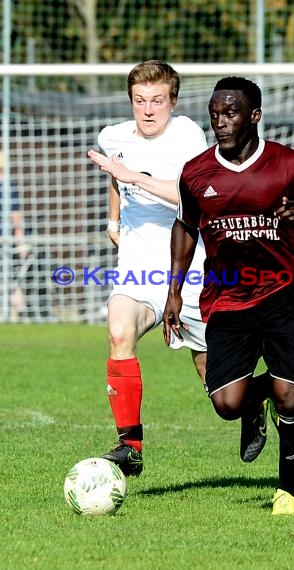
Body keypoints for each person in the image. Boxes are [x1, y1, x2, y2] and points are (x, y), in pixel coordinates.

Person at [163, 76, 294, 515]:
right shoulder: (196, 171)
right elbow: (185, 227)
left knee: (291, 396)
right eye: (215, 114)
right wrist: (173, 292)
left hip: (285, 294)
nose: (219, 122)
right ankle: (255, 400)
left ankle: (287, 491)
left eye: (230, 113)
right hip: (226, 299)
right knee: (227, 404)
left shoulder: (290, 164)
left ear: (254, 115)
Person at [87, 60, 208, 477]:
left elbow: (188, 198)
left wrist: (128, 173)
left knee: (219, 391)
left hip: (188, 264)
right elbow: (114, 176)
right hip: (137, 264)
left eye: (157, 100)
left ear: (173, 102)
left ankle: (255, 402)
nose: (148, 109)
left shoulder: (188, 135)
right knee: (119, 330)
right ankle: (130, 447)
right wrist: (113, 221)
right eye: (140, 101)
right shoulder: (113, 136)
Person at [0, 150, 27, 320]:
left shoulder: (8, 187)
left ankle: (16, 310)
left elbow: (16, 218)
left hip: (5, 241)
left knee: (10, 278)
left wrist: (20, 242)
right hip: (6, 240)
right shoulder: (8, 186)